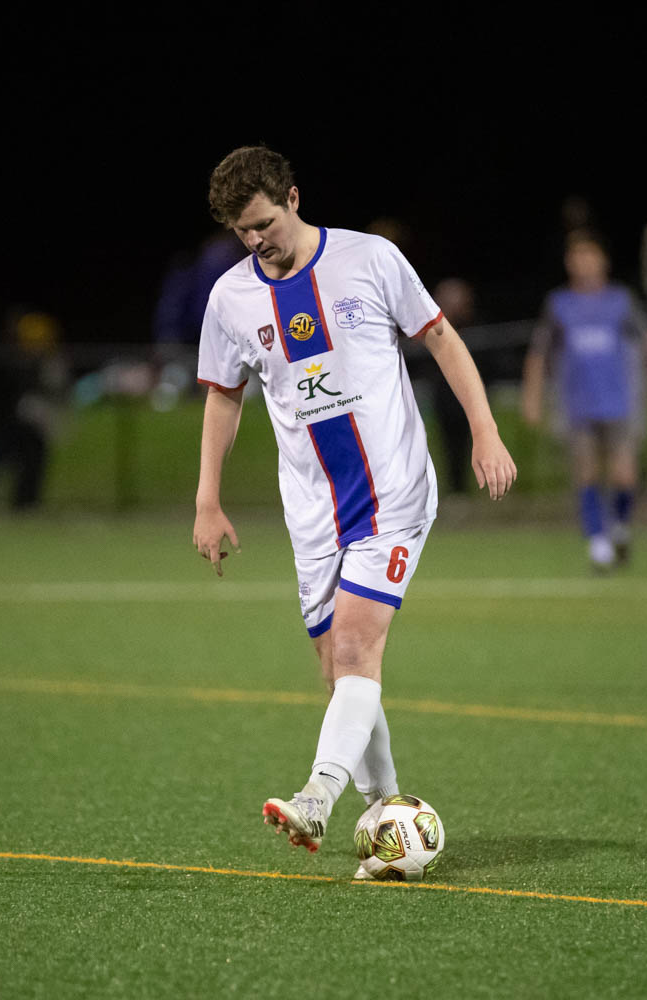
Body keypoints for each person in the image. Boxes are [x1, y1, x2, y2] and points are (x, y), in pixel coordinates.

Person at [191, 146, 517, 869]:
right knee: (338, 671)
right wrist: (207, 498)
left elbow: (440, 337)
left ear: (294, 198)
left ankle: (318, 795)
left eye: (264, 223)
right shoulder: (230, 299)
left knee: (355, 648)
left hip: (394, 491)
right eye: (242, 232)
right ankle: (388, 811)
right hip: (313, 509)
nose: (256, 240)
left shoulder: (370, 259)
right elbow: (223, 395)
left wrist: (485, 430)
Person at [521, 230, 647, 571]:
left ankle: (618, 525)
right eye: (577, 257)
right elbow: (538, 352)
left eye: (590, 255)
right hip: (577, 403)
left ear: (602, 260)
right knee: (586, 473)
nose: (584, 263)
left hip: (619, 401)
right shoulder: (559, 303)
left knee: (624, 475)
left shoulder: (620, 300)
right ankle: (598, 541)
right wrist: (531, 397)